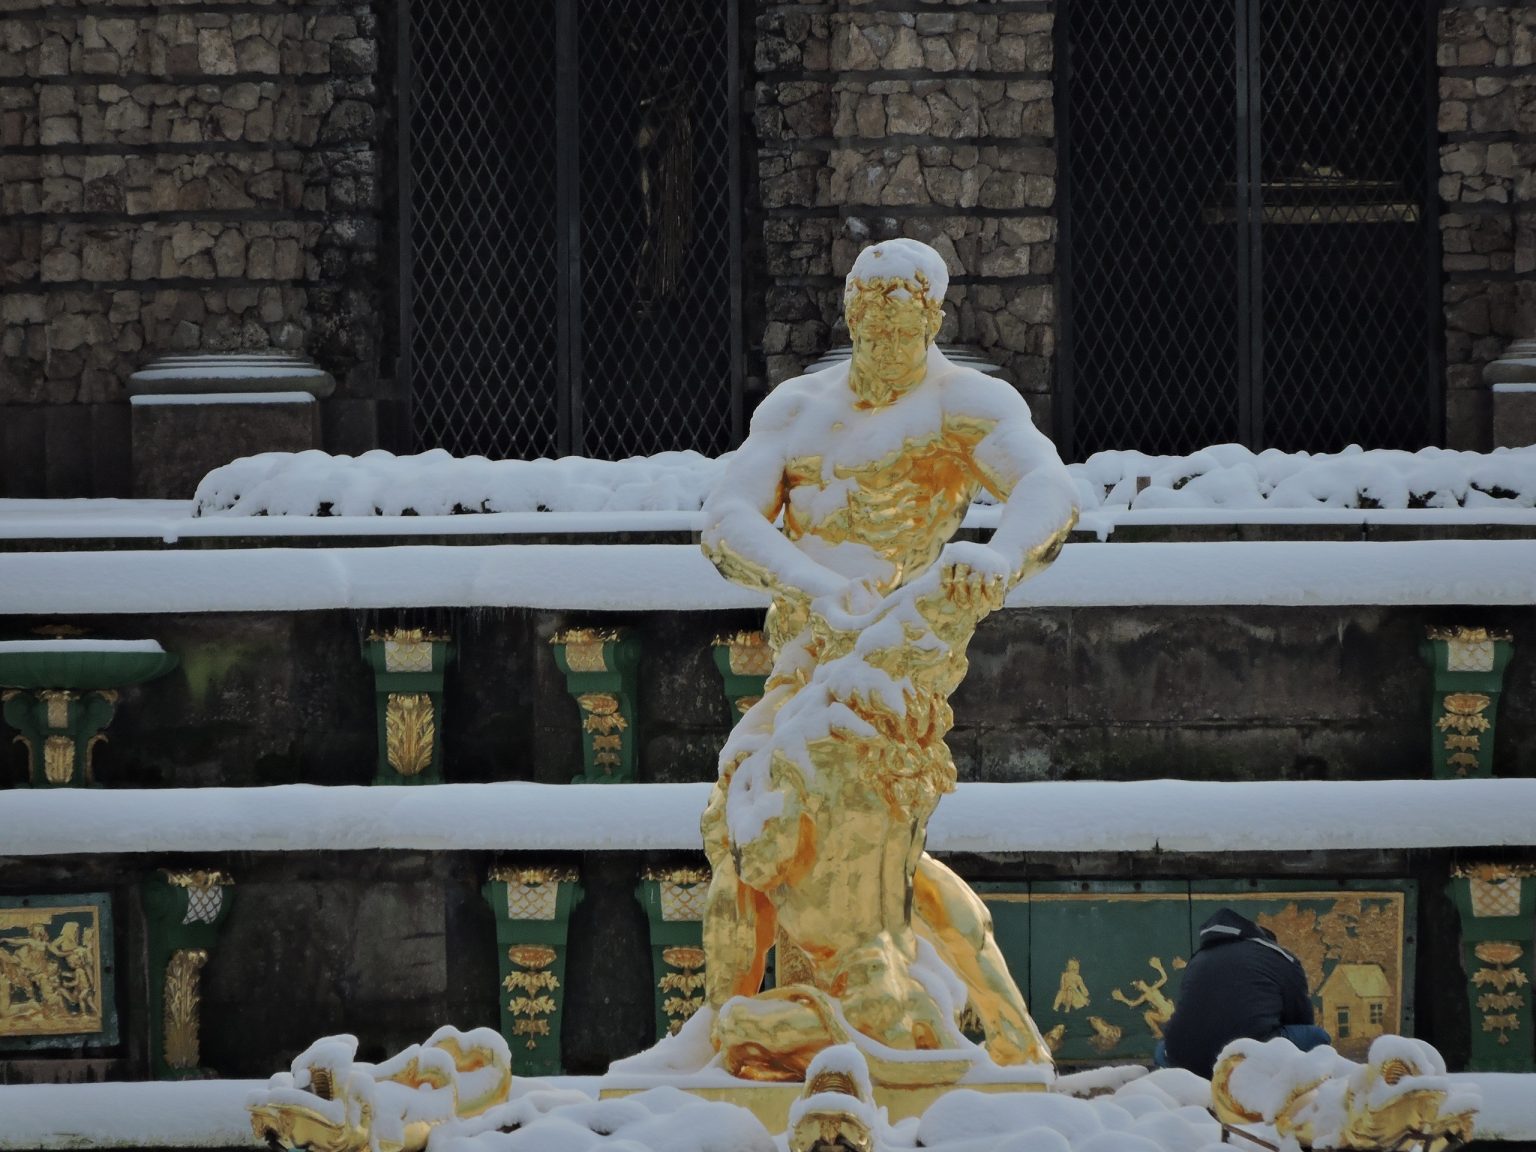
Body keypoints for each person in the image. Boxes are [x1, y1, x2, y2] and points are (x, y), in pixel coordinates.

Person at [697, 239, 1078, 1079]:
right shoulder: (797, 411)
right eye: (875, 329)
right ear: (851, 317)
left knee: (837, 829)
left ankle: (879, 1008)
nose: (891, 346)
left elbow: (1048, 489)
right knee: (739, 832)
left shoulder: (960, 405)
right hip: (805, 650)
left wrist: (998, 558)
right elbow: (726, 521)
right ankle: (727, 1032)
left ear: (934, 321)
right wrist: (814, 584)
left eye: (907, 330)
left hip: (900, 648)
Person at [1159, 908, 1331, 1078]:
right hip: (1247, 1059)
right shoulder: (1278, 957)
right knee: (1318, 1037)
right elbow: (1301, 1018)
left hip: (1187, 1061)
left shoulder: (1197, 960)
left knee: (1162, 1050)